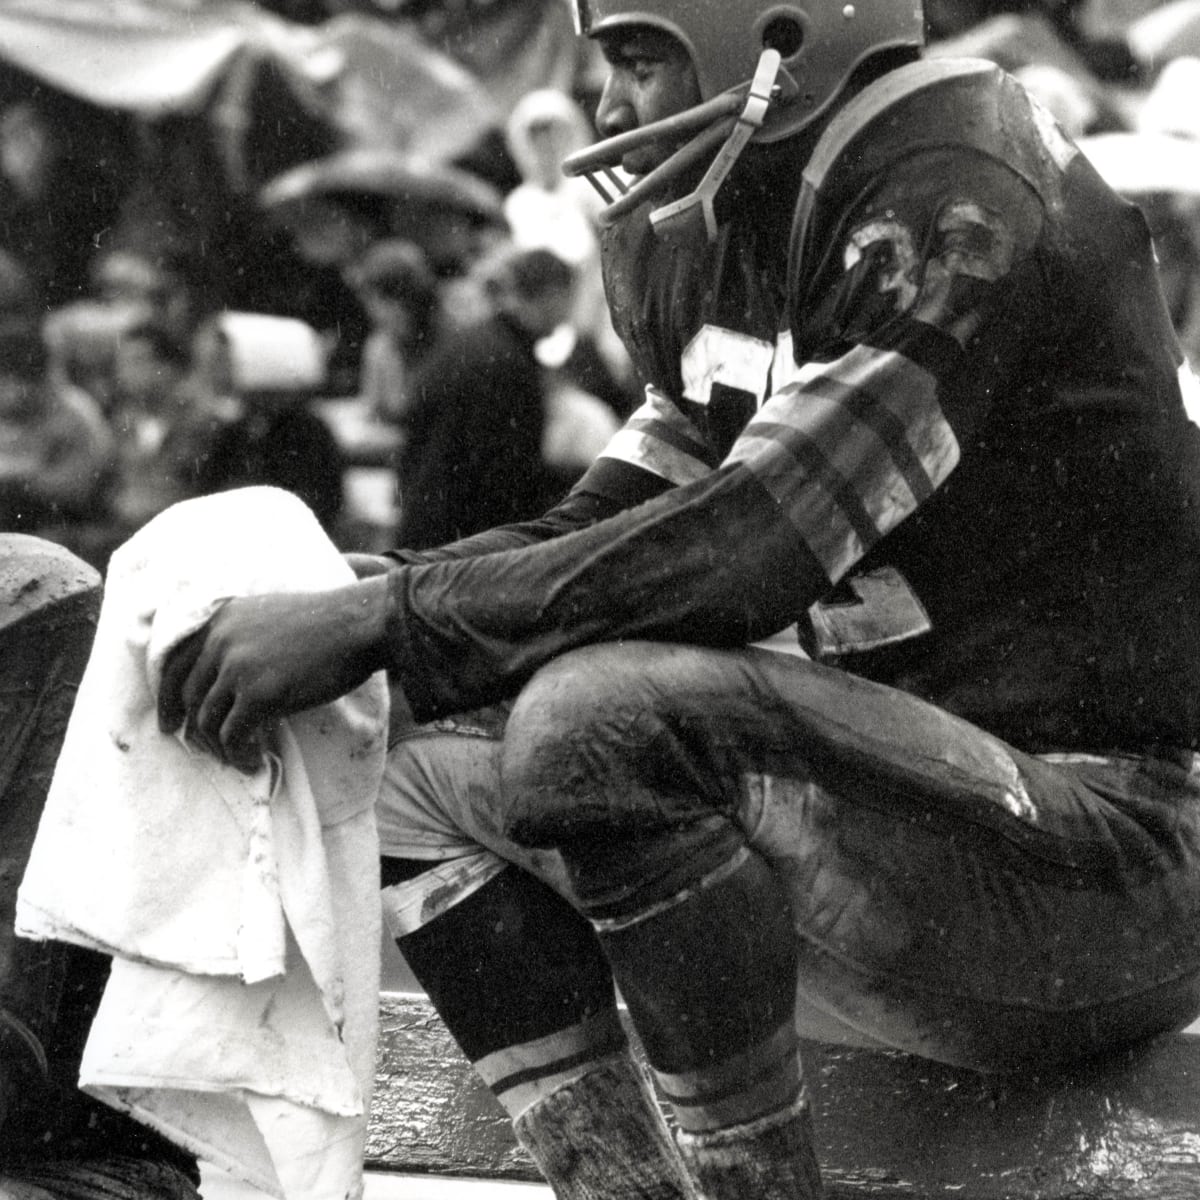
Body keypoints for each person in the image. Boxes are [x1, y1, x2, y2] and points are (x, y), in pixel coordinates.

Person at [156, 2, 1200, 1197]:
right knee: (384, 745)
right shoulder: (762, 212)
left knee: (599, 717)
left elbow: (747, 548)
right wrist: (370, 600)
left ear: (782, 37)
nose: (608, 108)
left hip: (1107, 853)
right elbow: (605, 525)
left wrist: (383, 620)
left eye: (638, 56)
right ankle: (619, 1185)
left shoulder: (951, 185)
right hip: (905, 827)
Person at [395, 243, 577, 549]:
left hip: (427, 531)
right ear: (553, 296)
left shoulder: (475, 343)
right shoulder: (508, 363)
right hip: (463, 543)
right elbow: (508, 479)